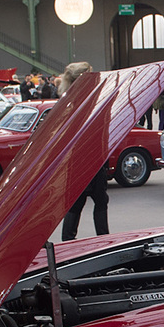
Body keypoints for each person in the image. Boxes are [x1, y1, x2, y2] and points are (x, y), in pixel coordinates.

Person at [57, 62, 110, 240]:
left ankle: (68, 242)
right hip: (93, 159)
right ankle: (103, 240)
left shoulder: (67, 101)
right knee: (100, 202)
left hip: (76, 161)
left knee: (75, 204)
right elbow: (102, 131)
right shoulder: (92, 101)